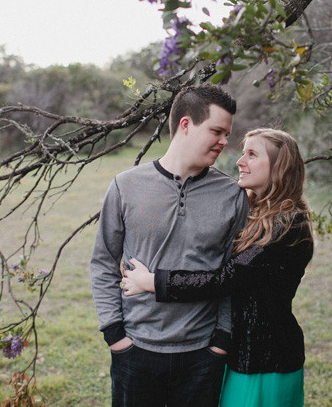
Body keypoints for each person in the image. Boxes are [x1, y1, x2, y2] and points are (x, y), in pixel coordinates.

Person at [122, 128, 314, 407]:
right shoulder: (258, 213)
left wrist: (151, 281)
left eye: (252, 154)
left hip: (267, 360)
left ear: (278, 167)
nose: (239, 161)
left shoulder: (287, 224)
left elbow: (223, 279)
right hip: (240, 354)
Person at [90, 84, 250, 407]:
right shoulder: (125, 186)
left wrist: (221, 341)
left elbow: (234, 274)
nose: (225, 142)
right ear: (186, 125)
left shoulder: (232, 196)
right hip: (135, 351)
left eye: (227, 133)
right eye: (217, 131)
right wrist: (115, 336)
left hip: (202, 355)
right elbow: (103, 262)